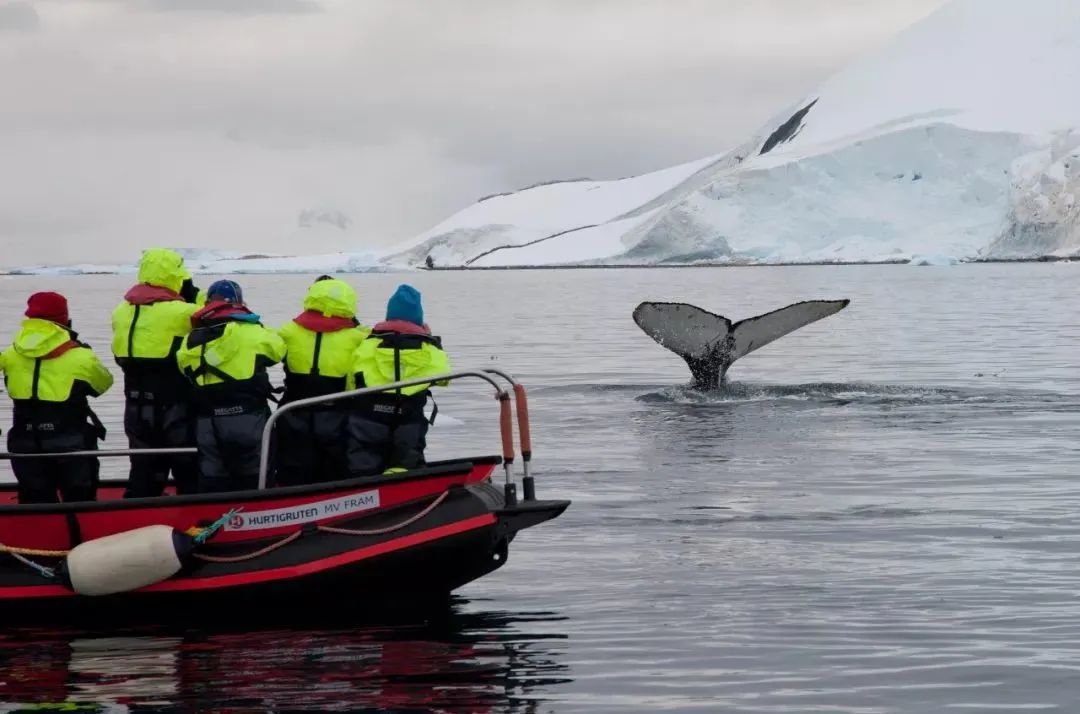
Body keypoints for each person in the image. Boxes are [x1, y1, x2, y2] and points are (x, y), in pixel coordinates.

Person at [0, 292, 113, 503]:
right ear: (65, 319)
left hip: (23, 442)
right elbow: (103, 385)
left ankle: (35, 530)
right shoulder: (80, 356)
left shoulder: (9, 354)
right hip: (70, 443)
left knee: (35, 500)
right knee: (80, 500)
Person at [175, 280, 285, 493]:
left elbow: (183, 367)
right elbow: (278, 350)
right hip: (248, 419)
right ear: (239, 303)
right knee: (255, 475)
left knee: (213, 478)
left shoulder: (190, 339)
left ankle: (213, 519)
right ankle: (259, 519)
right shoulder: (253, 332)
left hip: (208, 423)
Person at [111, 247, 203, 497]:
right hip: (174, 407)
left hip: (136, 408)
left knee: (144, 468)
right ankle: (196, 521)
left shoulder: (121, 311)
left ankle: (133, 520)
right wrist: (194, 297)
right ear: (177, 277)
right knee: (189, 469)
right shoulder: (184, 312)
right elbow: (215, 316)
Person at [347, 284, 450, 477]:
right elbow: (444, 378)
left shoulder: (368, 345)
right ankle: (401, 491)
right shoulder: (429, 350)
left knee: (363, 464)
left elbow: (352, 380)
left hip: (369, 418)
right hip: (408, 420)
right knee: (405, 463)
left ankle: (361, 493)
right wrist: (432, 340)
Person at [276, 276, 370, 486]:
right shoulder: (358, 337)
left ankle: (286, 505)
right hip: (337, 415)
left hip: (293, 412)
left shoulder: (288, 330)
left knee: (293, 469)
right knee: (335, 471)